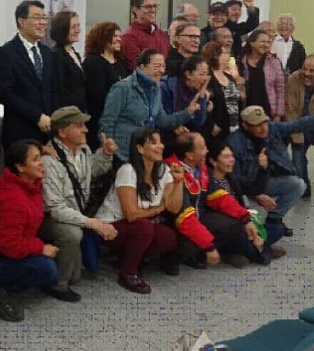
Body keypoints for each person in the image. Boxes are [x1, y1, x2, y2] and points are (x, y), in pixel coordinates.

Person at [0, 140, 60, 320]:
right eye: (36, 159)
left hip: (1, 247)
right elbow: (9, 244)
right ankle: (0, 289)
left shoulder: (28, 184)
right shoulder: (13, 198)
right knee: (47, 269)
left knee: (49, 268)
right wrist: (40, 248)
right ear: (20, 167)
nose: (41, 162)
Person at [40, 106, 117, 301]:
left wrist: (105, 154)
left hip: (73, 214)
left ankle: (60, 268)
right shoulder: (49, 161)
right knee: (72, 233)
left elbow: (93, 171)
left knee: (78, 275)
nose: (86, 130)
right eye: (79, 125)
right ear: (63, 132)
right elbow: (55, 210)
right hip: (49, 219)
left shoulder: (82, 150)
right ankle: (57, 284)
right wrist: (90, 222)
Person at [95, 128, 182, 293]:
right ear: (140, 148)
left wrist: (179, 181)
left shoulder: (163, 170)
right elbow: (131, 214)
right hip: (110, 226)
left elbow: (174, 207)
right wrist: (160, 207)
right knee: (145, 227)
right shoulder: (128, 170)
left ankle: (131, 257)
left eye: (161, 142)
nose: (161, 146)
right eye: (154, 143)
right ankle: (128, 274)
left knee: (168, 237)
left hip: (139, 224)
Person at [162, 133, 259, 272]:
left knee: (235, 224)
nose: (207, 151)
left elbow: (218, 196)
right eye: (203, 148)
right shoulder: (172, 172)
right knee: (191, 240)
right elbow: (184, 218)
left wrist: (245, 218)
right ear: (189, 155)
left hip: (196, 216)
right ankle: (170, 259)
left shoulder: (200, 168)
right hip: (175, 223)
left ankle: (197, 254)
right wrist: (209, 246)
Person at [99, 48, 200, 163]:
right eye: (157, 66)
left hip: (145, 155)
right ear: (142, 67)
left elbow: (163, 121)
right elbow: (107, 122)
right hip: (122, 155)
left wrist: (188, 112)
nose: (162, 71)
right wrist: (110, 152)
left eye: (164, 67)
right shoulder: (122, 88)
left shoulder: (156, 89)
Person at [227, 105, 313, 238]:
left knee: (298, 185)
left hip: (267, 179)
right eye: (257, 125)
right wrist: (257, 195)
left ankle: (274, 219)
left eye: (264, 122)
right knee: (245, 219)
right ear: (245, 125)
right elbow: (234, 179)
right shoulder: (234, 143)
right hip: (246, 187)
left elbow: (296, 125)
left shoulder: (272, 128)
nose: (263, 128)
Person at [205, 140, 285, 265]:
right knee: (244, 241)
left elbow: (254, 188)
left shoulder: (231, 177)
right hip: (227, 231)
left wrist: (263, 169)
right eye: (226, 157)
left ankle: (252, 250)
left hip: (244, 223)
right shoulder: (208, 182)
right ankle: (263, 250)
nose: (231, 160)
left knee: (278, 229)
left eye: (232, 156)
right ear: (213, 161)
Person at [0, 0, 59, 148]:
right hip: (20, 135)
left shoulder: (48, 53)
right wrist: (37, 117)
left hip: (48, 134)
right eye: (37, 18)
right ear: (21, 21)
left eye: (44, 18)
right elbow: (6, 95)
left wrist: (53, 120)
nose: (42, 23)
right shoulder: (5, 54)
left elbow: (53, 90)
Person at [82, 21, 130, 150]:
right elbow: (98, 94)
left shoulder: (120, 62)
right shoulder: (92, 62)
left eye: (120, 36)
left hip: (122, 121)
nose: (119, 39)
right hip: (101, 121)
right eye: (115, 36)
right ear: (102, 38)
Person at [239, 28, 285, 121]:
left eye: (268, 42)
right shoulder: (240, 62)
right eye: (263, 41)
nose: (266, 45)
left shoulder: (273, 62)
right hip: (246, 111)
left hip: (267, 111)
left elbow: (280, 89)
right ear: (252, 43)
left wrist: (278, 114)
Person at [285, 55, 314, 198]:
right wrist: (296, 135)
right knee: (297, 159)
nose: (307, 73)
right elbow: (291, 109)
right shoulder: (293, 79)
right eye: (305, 69)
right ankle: (304, 191)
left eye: (312, 71)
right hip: (299, 124)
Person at [202, 41, 242, 141]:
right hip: (217, 128)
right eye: (225, 53)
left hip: (234, 126)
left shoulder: (230, 77)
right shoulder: (208, 77)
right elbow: (204, 103)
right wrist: (211, 124)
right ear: (215, 55)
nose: (229, 55)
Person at [120, 0, 171, 70]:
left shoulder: (162, 35)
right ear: (136, 9)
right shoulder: (128, 37)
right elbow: (136, 67)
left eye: (155, 6)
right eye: (148, 7)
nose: (153, 10)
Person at [160, 55, 210, 135]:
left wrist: (202, 96)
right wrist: (176, 126)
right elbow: (162, 119)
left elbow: (198, 122)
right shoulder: (165, 87)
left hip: (184, 131)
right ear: (188, 74)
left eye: (206, 74)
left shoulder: (195, 91)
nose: (205, 78)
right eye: (201, 74)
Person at [50, 10, 86, 113]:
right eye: (73, 27)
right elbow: (58, 90)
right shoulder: (56, 55)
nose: (78, 30)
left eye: (78, 26)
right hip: (67, 114)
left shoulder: (74, 53)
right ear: (62, 29)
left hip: (79, 111)